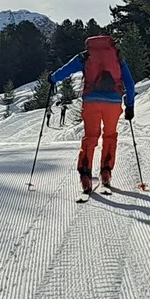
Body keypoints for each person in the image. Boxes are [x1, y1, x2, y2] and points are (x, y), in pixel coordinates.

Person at [49, 35, 137, 193]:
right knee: (110, 136)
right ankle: (105, 173)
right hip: (113, 102)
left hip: (91, 101)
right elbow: (130, 84)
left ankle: (85, 176)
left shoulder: (85, 55)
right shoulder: (117, 56)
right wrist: (130, 105)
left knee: (90, 137)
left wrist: (53, 78)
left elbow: (66, 70)